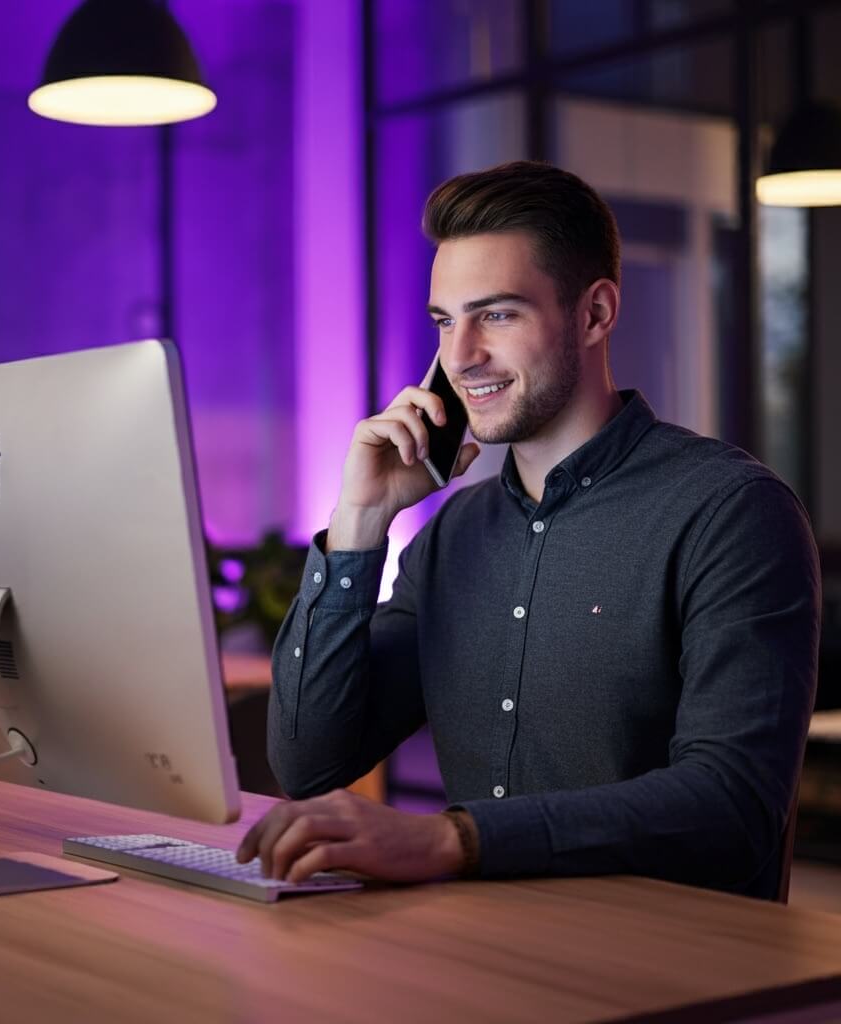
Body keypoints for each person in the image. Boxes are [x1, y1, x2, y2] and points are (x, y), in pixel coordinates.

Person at [235, 160, 821, 899]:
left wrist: (455, 839)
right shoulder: (454, 536)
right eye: (445, 322)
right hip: (483, 959)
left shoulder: (730, 512)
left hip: (672, 975)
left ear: (596, 313)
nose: (461, 356)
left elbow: (733, 808)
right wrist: (359, 521)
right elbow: (308, 764)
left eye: (499, 314)